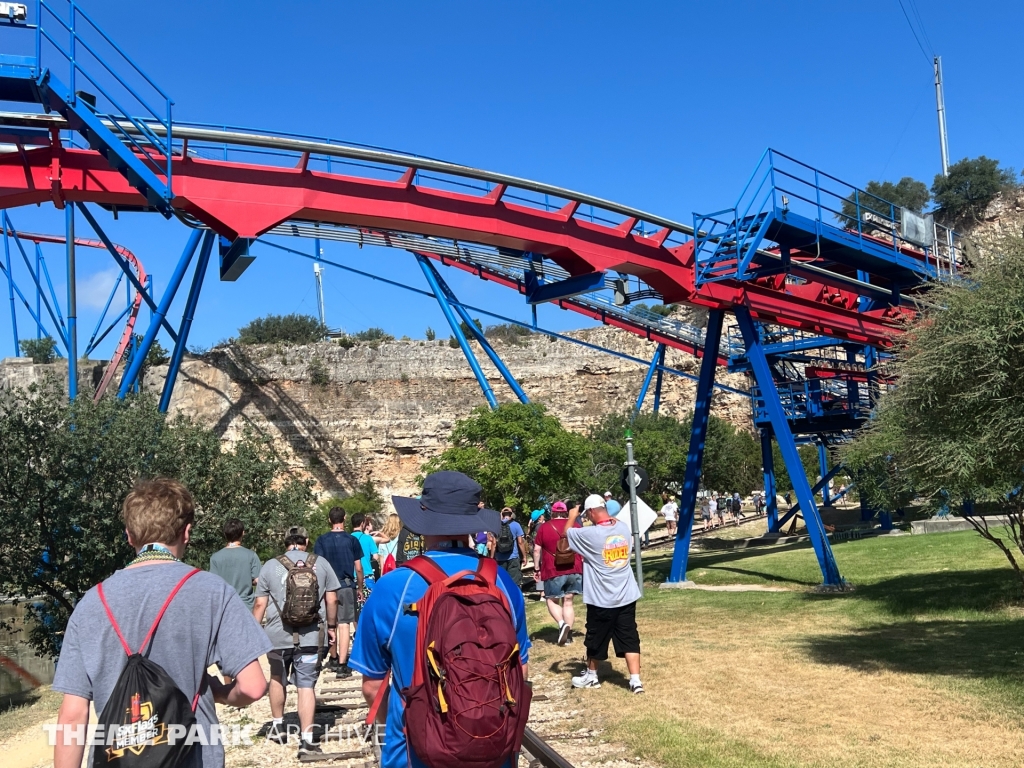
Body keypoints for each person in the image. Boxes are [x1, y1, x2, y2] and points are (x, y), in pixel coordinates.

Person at [52, 479, 270, 768]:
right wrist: (220, 693)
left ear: (129, 536)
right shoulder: (211, 591)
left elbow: (72, 714)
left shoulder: (91, 603)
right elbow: (253, 687)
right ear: (187, 532)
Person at [350, 471, 531, 768]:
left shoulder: (394, 587)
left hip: (414, 753)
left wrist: (398, 725)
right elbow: (519, 672)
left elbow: (372, 686)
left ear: (425, 518)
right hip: (493, 750)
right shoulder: (502, 584)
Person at [253, 526, 341, 756]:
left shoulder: (270, 565)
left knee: (277, 677)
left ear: (285, 542)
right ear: (307, 540)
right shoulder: (320, 563)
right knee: (306, 686)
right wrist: (332, 627)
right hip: (311, 636)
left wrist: (253, 633)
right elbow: (332, 599)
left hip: (276, 636)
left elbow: (260, 604)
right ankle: (307, 740)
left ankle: (278, 727)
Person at [565, 495, 644, 694]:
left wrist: (572, 516)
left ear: (591, 512)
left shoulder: (590, 534)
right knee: (629, 636)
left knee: (595, 638)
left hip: (601, 598)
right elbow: (614, 521)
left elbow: (567, 533)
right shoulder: (623, 529)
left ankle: (592, 676)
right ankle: (635, 681)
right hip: (626, 594)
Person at [312, 506, 365, 679]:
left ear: (329, 520)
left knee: (330, 622)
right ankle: (343, 665)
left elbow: (317, 566)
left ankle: (333, 658)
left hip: (327, 587)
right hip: (346, 585)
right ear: (344, 518)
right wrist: (359, 587)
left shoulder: (321, 540)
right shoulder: (352, 540)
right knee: (344, 624)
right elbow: (358, 568)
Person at [533, 501, 582, 646]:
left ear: (552, 512)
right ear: (566, 512)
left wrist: (536, 568)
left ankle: (562, 624)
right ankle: (569, 636)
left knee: (551, 600)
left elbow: (536, 550)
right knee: (568, 601)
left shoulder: (544, 527)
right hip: (574, 568)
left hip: (553, 569)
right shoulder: (575, 525)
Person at [209, 517, 261, 610]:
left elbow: (214, 584)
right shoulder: (251, 555)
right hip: (246, 607)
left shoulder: (215, 558)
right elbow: (258, 580)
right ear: (243, 533)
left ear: (225, 534)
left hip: (224, 607)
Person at [494, 507, 528, 587]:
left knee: (502, 582)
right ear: (511, 514)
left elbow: (493, 543)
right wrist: (524, 556)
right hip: (513, 557)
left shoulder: (496, 526)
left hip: (500, 558)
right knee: (515, 582)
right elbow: (520, 542)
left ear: (501, 514)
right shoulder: (516, 525)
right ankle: (515, 598)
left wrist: (493, 557)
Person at [351, 513, 380, 591]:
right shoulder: (368, 538)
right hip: (367, 574)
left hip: (352, 576)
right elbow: (375, 556)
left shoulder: (348, 538)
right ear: (362, 523)